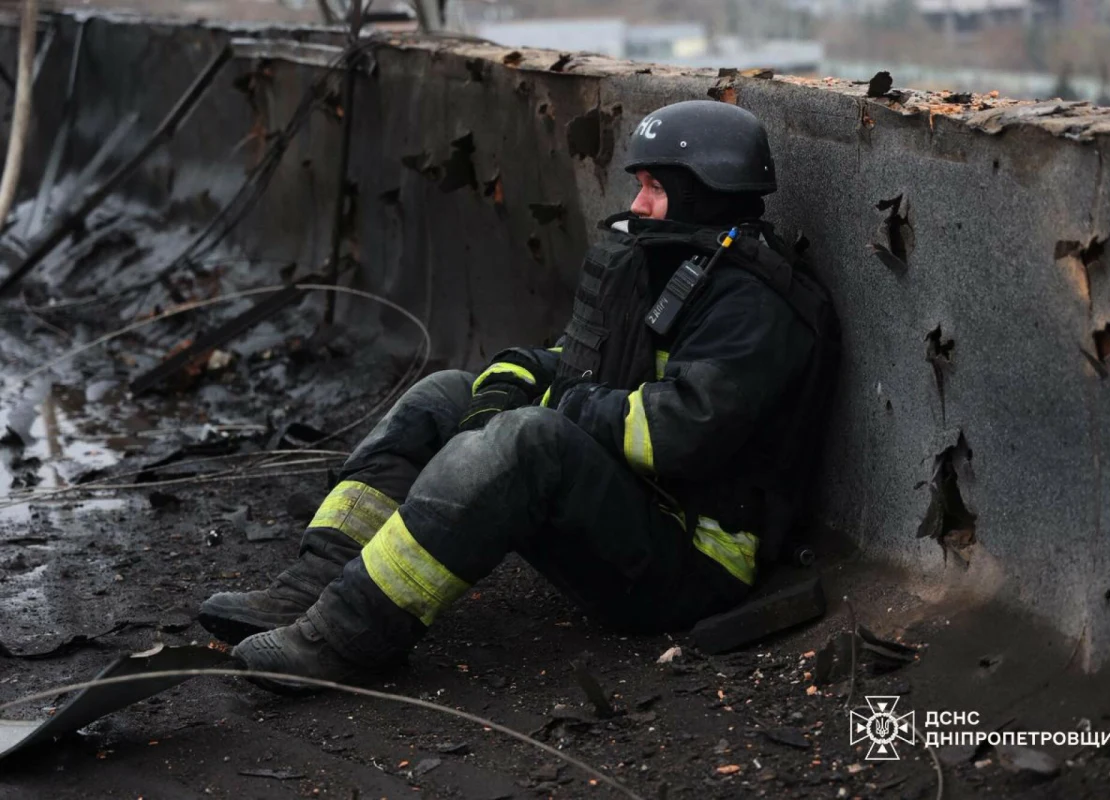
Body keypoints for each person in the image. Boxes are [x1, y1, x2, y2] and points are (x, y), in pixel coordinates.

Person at [199, 99, 840, 691]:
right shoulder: (676, 264)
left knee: (529, 439)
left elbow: (676, 431)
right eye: (640, 186)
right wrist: (514, 375)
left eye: (654, 189)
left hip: (689, 566)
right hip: (637, 510)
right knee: (444, 394)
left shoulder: (755, 305)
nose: (638, 205)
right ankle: (311, 588)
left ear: (705, 194)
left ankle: (347, 636)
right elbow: (591, 363)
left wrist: (551, 405)